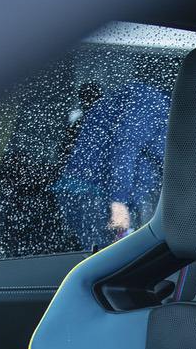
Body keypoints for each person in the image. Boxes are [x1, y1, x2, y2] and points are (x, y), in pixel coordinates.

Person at [54, 76, 170, 247]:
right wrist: (119, 203)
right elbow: (124, 150)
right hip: (95, 194)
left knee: (121, 256)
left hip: (105, 194)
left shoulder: (154, 103)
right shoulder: (150, 101)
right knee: (109, 258)